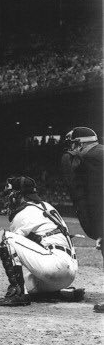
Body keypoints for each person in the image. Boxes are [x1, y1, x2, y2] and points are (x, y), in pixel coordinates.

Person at [0, 177, 79, 306]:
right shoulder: (45, 206)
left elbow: (5, 243)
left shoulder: (24, 212)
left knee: (4, 236)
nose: (8, 198)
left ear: (17, 194)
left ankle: (17, 293)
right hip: (68, 272)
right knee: (28, 283)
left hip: (54, 267)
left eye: (10, 194)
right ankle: (59, 292)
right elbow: (21, 243)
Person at [61, 127, 103, 313]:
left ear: (79, 143)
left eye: (73, 144)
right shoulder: (98, 153)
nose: (72, 149)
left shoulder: (92, 157)